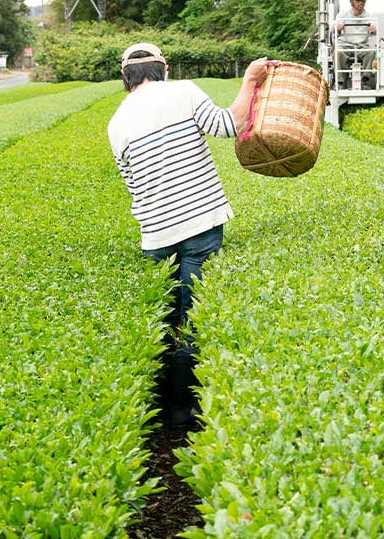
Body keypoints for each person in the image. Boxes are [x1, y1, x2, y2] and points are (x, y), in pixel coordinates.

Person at [107, 42, 268, 429]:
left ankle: (157, 403)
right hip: (199, 223)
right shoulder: (184, 91)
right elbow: (228, 126)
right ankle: (181, 409)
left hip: (155, 232)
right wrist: (249, 80)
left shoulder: (116, 123)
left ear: (125, 77)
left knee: (163, 315)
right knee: (193, 312)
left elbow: (132, 184)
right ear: (164, 69)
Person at [335, 0, 376, 88]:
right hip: (345, 44)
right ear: (351, 2)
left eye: (363, 0)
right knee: (337, 52)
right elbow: (333, 27)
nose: (361, 2)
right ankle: (341, 81)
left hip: (362, 45)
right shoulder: (343, 14)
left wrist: (374, 29)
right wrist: (337, 27)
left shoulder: (369, 15)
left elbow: (374, 29)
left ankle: (365, 80)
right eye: (358, 0)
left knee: (371, 52)